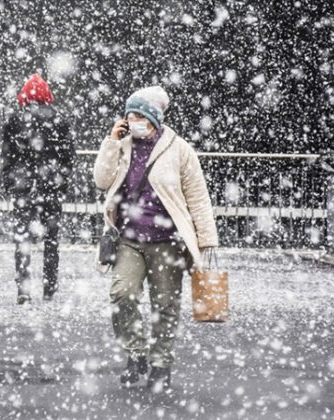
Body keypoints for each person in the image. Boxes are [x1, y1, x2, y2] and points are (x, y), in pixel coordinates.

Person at [92, 86, 218, 392]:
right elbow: (101, 180)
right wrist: (111, 141)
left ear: (153, 118)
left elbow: (198, 197)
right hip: (129, 239)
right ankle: (136, 355)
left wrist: (206, 240)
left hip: (167, 241)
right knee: (122, 294)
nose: (133, 121)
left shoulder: (179, 149)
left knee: (165, 305)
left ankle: (161, 364)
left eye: (138, 116)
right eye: (129, 116)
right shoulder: (122, 145)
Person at [1, 74, 75, 304]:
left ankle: (23, 288)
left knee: (22, 238)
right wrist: (61, 180)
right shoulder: (60, 119)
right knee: (51, 240)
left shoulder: (15, 120)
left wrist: (9, 181)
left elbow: (8, 156)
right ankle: (49, 287)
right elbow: (68, 157)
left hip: (24, 187)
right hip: (50, 186)